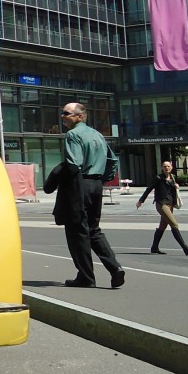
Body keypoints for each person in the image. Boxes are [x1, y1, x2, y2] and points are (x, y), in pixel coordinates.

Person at [57, 102, 126, 289]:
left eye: (66, 113)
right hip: (96, 185)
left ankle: (86, 276)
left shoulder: (73, 135)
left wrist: (58, 178)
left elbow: (74, 163)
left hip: (80, 185)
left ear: (80, 116)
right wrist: (102, 179)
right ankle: (115, 267)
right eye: (62, 113)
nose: (62, 116)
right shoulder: (97, 135)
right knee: (93, 229)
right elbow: (112, 160)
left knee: (76, 231)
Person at [137, 160, 188, 255]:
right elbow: (149, 189)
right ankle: (185, 248)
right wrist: (141, 201)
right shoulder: (158, 178)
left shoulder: (172, 177)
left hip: (170, 204)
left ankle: (154, 248)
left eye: (168, 166)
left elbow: (172, 191)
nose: (166, 168)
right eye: (164, 166)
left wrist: (176, 186)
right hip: (161, 204)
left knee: (162, 227)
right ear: (162, 168)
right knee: (174, 224)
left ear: (171, 167)